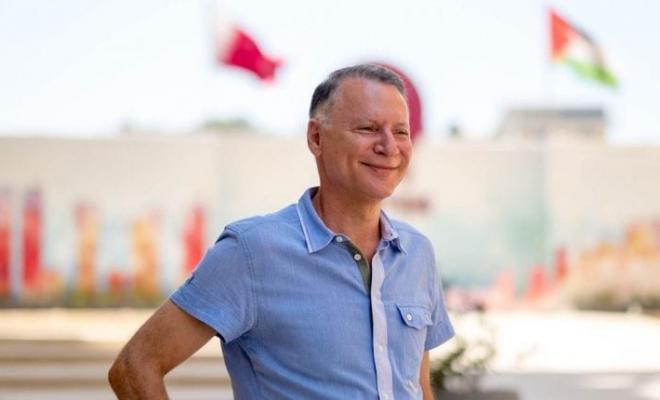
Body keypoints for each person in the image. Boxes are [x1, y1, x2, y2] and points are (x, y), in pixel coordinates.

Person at [108, 64, 454, 399]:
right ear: (316, 137)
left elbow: (416, 386)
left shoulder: (417, 254)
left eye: (401, 131)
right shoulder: (251, 253)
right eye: (367, 128)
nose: (389, 146)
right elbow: (135, 367)